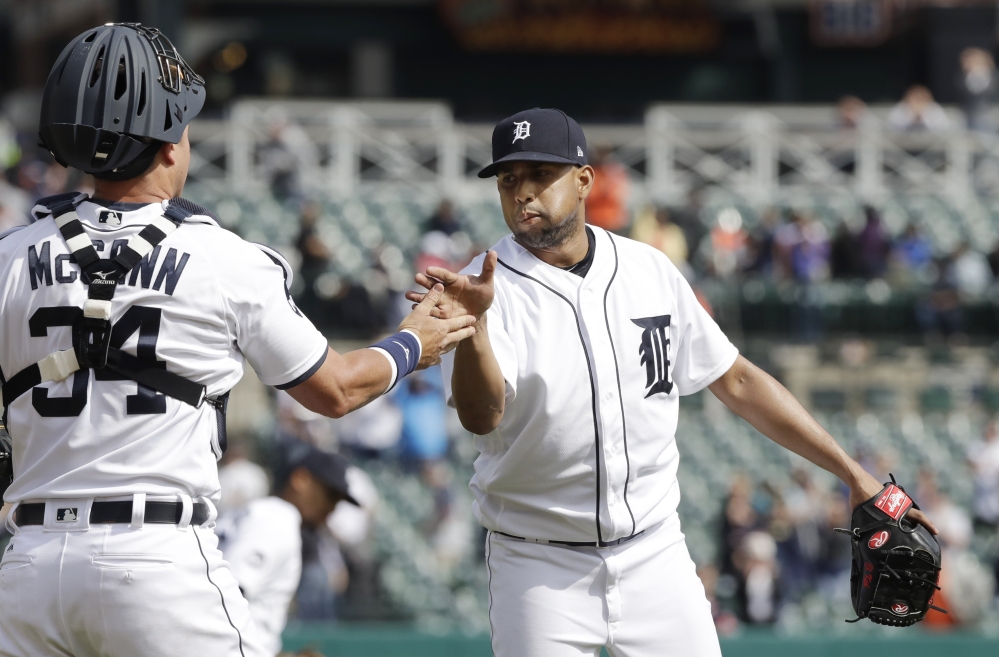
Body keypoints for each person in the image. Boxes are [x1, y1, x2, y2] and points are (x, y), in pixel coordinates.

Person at [0, 23, 476, 657]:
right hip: (156, 563)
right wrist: (412, 343)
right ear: (170, 143)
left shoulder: (10, 255)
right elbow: (334, 391)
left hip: (28, 571)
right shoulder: (223, 258)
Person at [406, 107, 938, 657]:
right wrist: (473, 330)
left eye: (542, 174)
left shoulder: (648, 270)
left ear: (585, 180)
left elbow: (735, 380)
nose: (523, 193)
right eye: (509, 179)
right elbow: (480, 416)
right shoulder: (479, 288)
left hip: (653, 555)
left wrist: (853, 474)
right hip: (538, 567)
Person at [216, 440, 360, 656]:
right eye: (330, 495)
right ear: (300, 479)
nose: (332, 508)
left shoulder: (263, 513)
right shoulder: (278, 518)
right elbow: (226, 595)